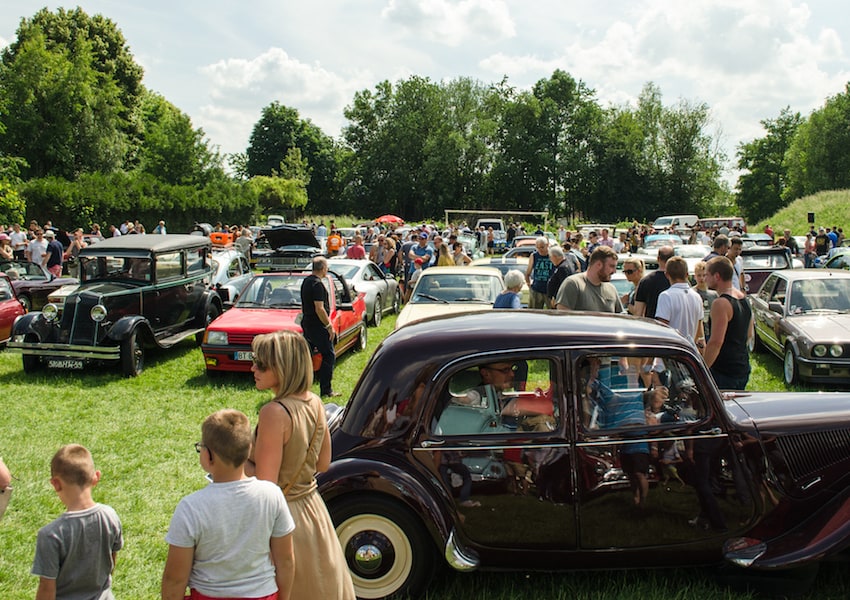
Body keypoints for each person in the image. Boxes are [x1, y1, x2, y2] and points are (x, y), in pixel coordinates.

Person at [247, 330, 356, 600]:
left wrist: (234, 464)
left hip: (283, 517)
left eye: (261, 364)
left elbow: (266, 485)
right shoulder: (316, 402)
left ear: (283, 368)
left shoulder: (274, 413)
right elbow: (324, 462)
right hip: (313, 509)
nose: (253, 368)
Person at [162, 409, 295, 600]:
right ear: (249, 448)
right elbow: (286, 561)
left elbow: (175, 578)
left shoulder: (191, 507)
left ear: (208, 456)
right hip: (263, 595)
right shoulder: (272, 495)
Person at [32, 444, 123, 600]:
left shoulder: (51, 535)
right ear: (96, 477)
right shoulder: (110, 516)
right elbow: (111, 562)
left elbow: (47, 590)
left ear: (56, 483)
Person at [703, 257, 753, 390]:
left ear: (717, 276)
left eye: (707, 274)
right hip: (742, 366)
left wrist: (702, 370)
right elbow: (749, 334)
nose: (704, 278)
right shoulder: (743, 298)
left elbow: (716, 342)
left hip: (724, 371)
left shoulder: (721, 303)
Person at [300, 257, 339, 398]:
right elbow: (319, 308)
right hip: (317, 325)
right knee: (329, 355)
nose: (327, 269)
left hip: (307, 323)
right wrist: (329, 325)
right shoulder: (317, 284)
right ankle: (326, 390)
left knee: (306, 357)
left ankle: (300, 388)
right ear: (322, 268)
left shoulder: (306, 281)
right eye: (326, 267)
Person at [655, 256, 706, 353]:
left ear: (667, 275)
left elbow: (662, 329)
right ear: (687, 275)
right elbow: (700, 334)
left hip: (671, 353)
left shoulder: (666, 296)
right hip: (689, 355)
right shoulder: (697, 297)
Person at [556, 246, 623, 313]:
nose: (614, 271)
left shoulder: (611, 289)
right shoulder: (573, 284)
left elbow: (620, 317)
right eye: (611, 266)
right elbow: (563, 318)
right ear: (599, 264)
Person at [633, 245, 673, 319]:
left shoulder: (645, 281)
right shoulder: (678, 280)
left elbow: (638, 313)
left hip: (653, 326)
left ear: (658, 259)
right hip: (675, 328)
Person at [525, 237, 554, 309]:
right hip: (536, 289)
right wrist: (529, 284)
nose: (540, 250)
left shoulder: (552, 255)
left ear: (547, 245)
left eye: (542, 247)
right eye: (537, 247)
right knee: (534, 313)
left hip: (550, 290)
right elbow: (528, 272)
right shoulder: (534, 256)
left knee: (553, 312)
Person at [692, 261, 717, 340]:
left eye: (704, 275)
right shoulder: (692, 293)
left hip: (710, 331)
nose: (701, 278)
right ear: (694, 276)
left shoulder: (714, 294)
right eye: (699, 275)